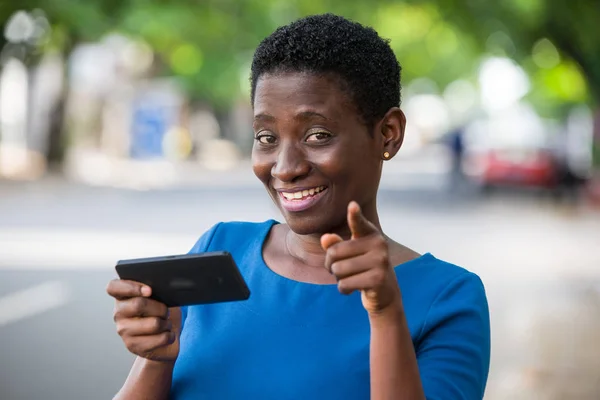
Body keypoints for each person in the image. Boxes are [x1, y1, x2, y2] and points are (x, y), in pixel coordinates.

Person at [106, 14, 490, 400]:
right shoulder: (221, 249)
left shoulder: (448, 298)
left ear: (387, 134)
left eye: (317, 135)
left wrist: (386, 313)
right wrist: (155, 357)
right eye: (266, 137)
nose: (285, 168)